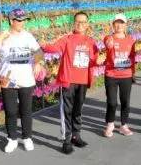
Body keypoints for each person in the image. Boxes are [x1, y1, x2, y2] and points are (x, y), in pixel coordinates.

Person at [39, 11, 100, 155]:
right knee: (66, 110)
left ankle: (76, 135)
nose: (80, 24)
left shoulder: (90, 41)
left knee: (78, 110)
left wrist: (99, 60)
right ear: (74, 23)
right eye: (78, 21)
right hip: (68, 80)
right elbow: (52, 48)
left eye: (83, 22)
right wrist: (44, 44)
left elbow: (94, 59)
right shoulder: (67, 39)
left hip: (83, 81)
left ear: (87, 24)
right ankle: (66, 140)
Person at [0, 9, 44, 153]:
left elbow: (38, 52)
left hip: (26, 79)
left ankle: (27, 138)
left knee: (26, 110)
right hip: (7, 80)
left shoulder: (28, 36)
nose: (22, 23)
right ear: (11, 21)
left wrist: (37, 63)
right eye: (19, 20)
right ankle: (12, 139)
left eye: (24, 20)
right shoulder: (3, 36)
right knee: (11, 111)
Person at [102, 14, 136, 137]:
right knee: (112, 102)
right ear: (113, 25)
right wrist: (110, 43)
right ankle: (110, 124)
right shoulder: (108, 37)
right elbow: (108, 44)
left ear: (125, 25)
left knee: (125, 101)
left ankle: (123, 125)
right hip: (111, 74)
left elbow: (132, 57)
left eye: (122, 23)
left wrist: (133, 72)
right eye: (117, 23)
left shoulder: (131, 40)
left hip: (126, 75)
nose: (119, 25)